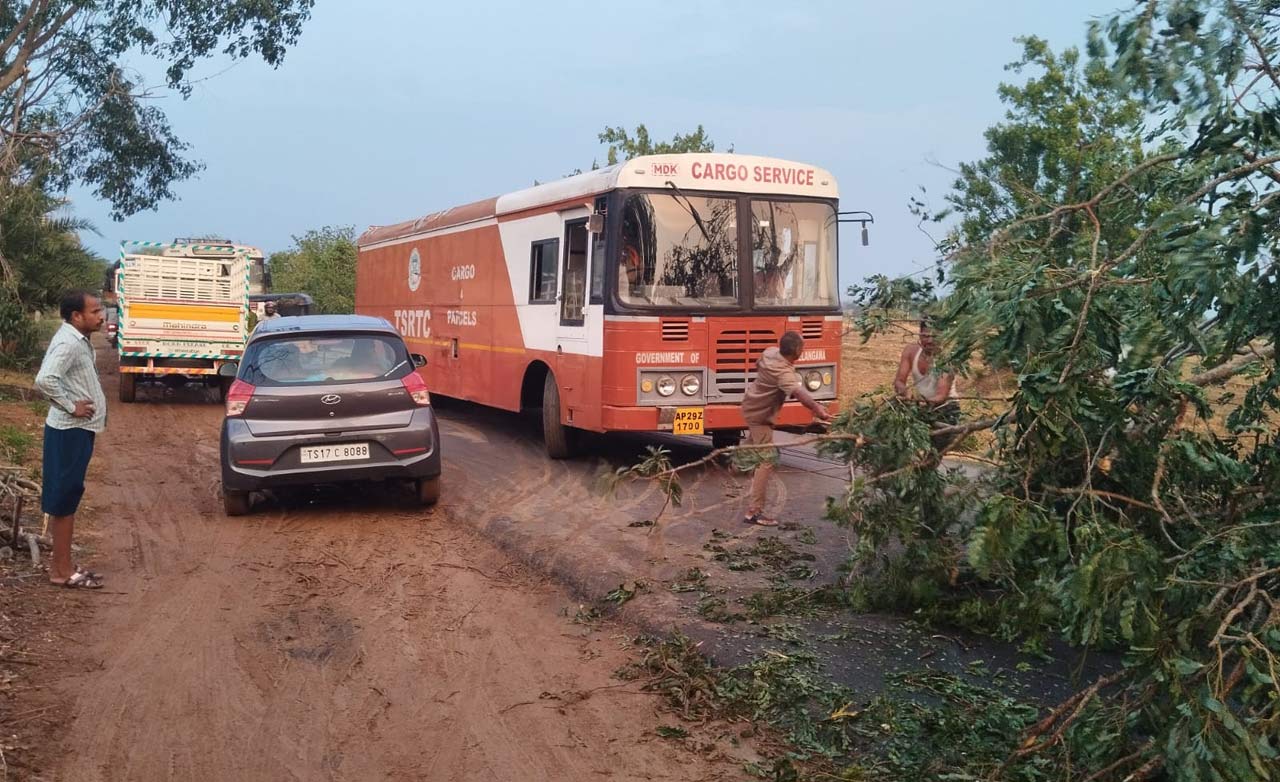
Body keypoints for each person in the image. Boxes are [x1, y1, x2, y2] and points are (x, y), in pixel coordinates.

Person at [34, 291, 108, 589]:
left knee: (68, 496)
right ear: (77, 316)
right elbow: (45, 378)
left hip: (77, 431)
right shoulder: (68, 343)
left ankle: (64, 564)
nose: (101, 315)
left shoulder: (77, 340)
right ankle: (60, 572)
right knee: (63, 499)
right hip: (68, 431)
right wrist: (70, 405)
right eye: (94, 311)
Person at [739, 331, 833, 526]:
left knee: (751, 451)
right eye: (803, 348)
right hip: (760, 416)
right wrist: (818, 409)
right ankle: (753, 512)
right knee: (768, 460)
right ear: (797, 351)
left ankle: (735, 464)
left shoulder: (770, 352)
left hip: (751, 405)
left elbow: (758, 363)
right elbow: (799, 393)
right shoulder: (783, 374)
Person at [894, 318, 960, 449]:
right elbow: (899, 381)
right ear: (919, 335)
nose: (929, 340)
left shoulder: (947, 360)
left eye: (934, 336)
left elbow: (941, 396)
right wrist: (905, 392)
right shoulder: (910, 351)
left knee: (932, 456)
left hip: (946, 409)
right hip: (921, 405)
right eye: (925, 336)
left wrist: (920, 403)